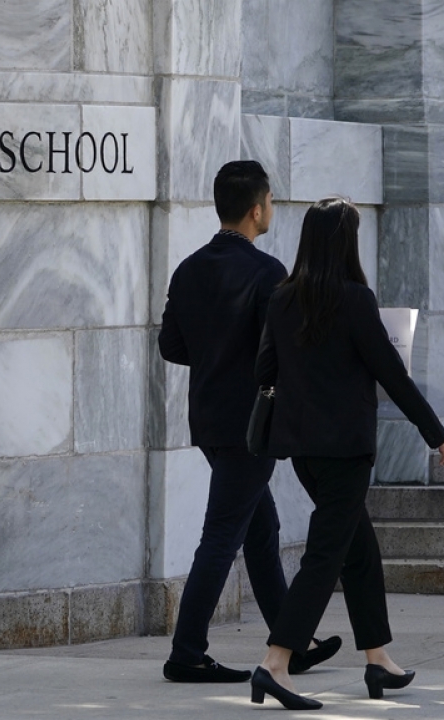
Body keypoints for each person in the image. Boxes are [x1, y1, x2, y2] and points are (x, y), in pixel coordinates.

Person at [249, 197, 444, 710]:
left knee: (358, 551)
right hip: (346, 450)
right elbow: (393, 375)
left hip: (302, 450)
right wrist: (435, 432)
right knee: (326, 555)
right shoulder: (356, 300)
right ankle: (275, 663)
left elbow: (264, 373)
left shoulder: (282, 298)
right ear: (346, 241)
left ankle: (377, 658)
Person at [158, 160, 340, 683]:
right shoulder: (267, 271)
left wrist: (217, 356)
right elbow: (284, 351)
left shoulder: (189, 268)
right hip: (253, 427)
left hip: (211, 420)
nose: (272, 210)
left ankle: (293, 641)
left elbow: (171, 345)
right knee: (222, 537)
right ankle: (186, 652)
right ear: (257, 208)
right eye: (271, 202)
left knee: (261, 531)